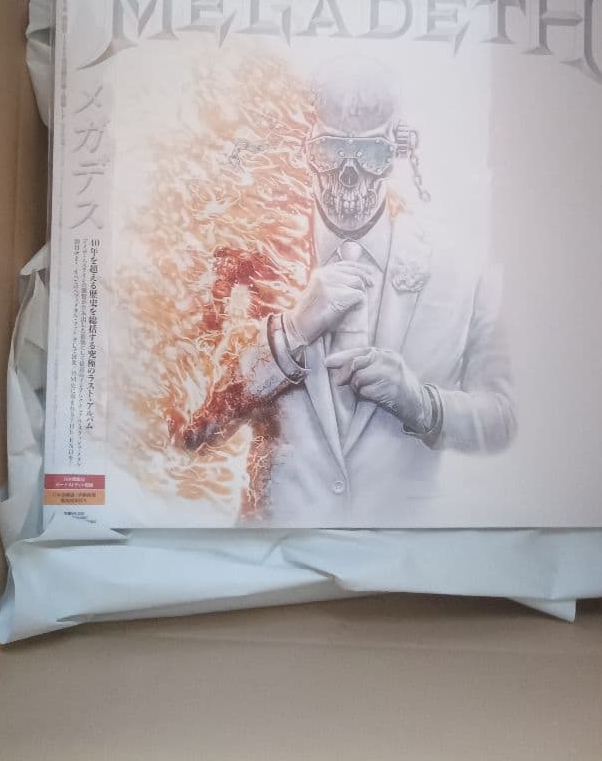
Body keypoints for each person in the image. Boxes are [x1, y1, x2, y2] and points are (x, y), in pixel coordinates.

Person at [184, 54, 515, 525]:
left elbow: (503, 419)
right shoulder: (248, 259)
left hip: (406, 550)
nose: (348, 173)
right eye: (332, 150)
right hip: (270, 546)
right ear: (306, 148)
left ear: (398, 151)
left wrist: (424, 405)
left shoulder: (461, 272)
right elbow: (194, 426)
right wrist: (288, 335)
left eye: (371, 154)